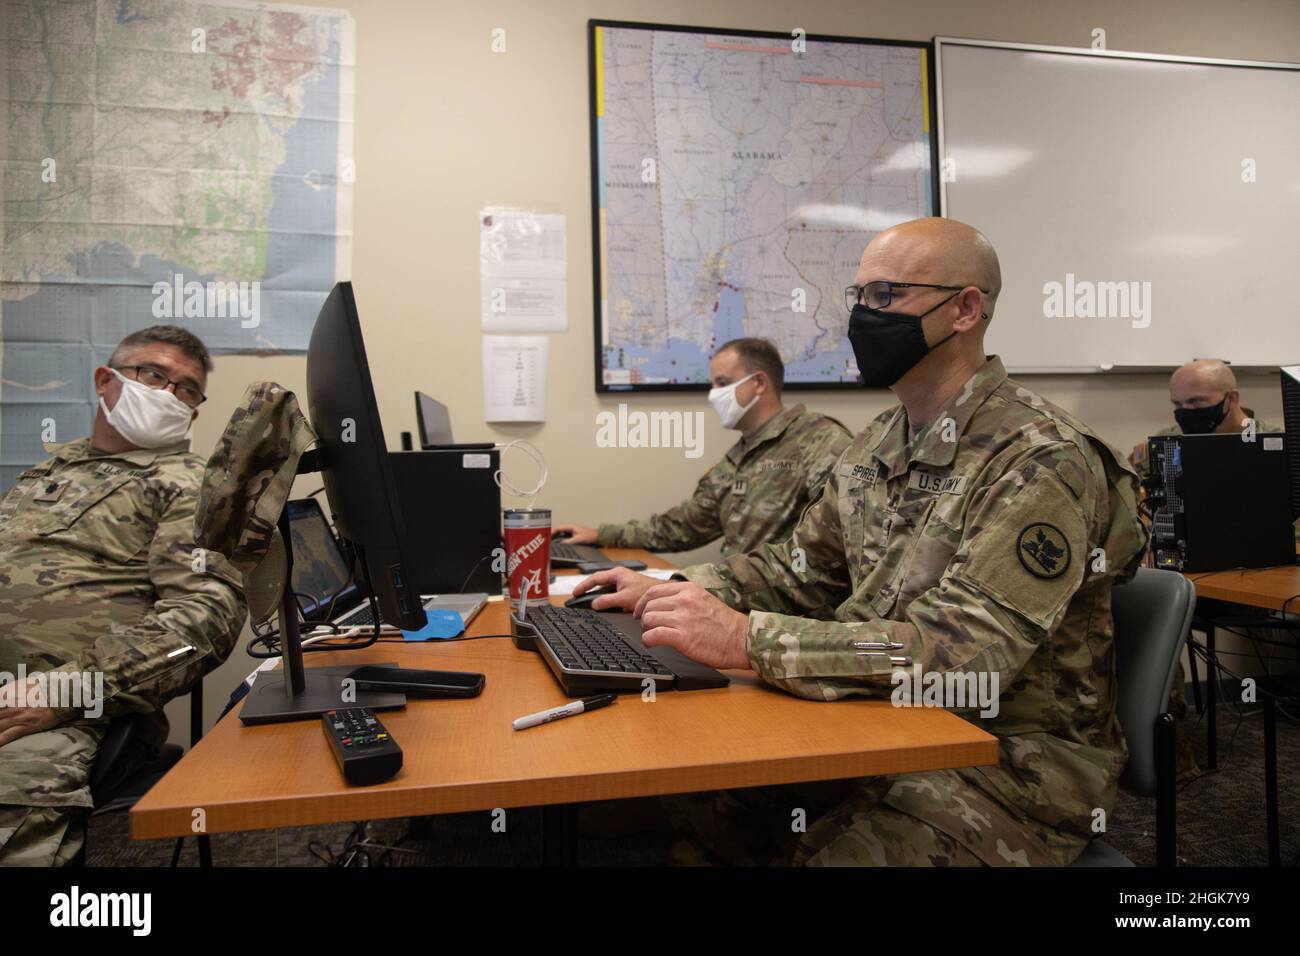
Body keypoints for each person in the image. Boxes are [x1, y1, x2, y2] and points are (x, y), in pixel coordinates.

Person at [576, 217, 1146, 866]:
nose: (862, 319)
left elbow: (961, 652)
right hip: (878, 723)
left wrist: (744, 638)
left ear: (965, 309)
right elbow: (797, 571)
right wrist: (679, 588)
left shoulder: (1039, 456)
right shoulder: (878, 442)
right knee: (690, 801)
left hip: (1007, 760)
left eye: (885, 298)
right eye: (858, 299)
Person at [0, 326, 245, 866]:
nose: (169, 394)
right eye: (155, 375)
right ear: (106, 381)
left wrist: (69, 691)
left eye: (186, 390)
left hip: (75, 707)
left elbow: (203, 620)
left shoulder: (189, 484)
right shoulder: (46, 471)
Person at [557, 337, 850, 558]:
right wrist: (602, 534)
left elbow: (838, 548)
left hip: (787, 621)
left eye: (723, 383)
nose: (714, 395)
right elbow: (686, 525)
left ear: (759, 382)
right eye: (713, 385)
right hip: (733, 604)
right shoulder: (739, 457)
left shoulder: (821, 441)